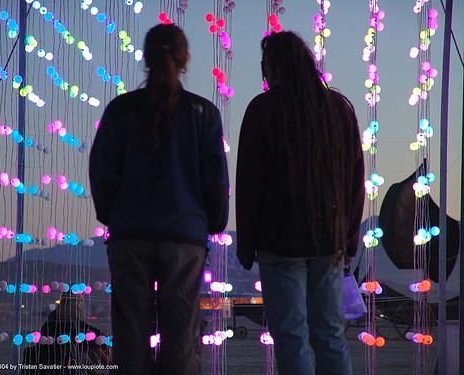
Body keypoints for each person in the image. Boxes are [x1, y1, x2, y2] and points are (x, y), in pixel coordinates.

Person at [89, 24, 229, 375]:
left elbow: (102, 172)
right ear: (184, 60)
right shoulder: (203, 113)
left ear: (146, 58)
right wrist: (209, 223)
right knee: (181, 338)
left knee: (130, 337)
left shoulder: (121, 110)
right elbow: (215, 181)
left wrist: (114, 215)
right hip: (185, 236)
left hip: (130, 233)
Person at [236, 31, 364, 375]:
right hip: (329, 239)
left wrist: (246, 246)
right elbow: (354, 180)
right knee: (330, 334)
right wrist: (349, 239)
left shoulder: (262, 110)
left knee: (291, 336)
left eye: (264, 64)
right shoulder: (338, 108)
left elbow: (250, 184)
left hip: (280, 241)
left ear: (274, 66)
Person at [22, 293, 110, 375]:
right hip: (59, 363)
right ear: (73, 303)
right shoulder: (62, 321)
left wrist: (98, 337)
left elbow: (90, 330)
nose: (82, 304)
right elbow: (74, 338)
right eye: (80, 301)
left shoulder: (65, 318)